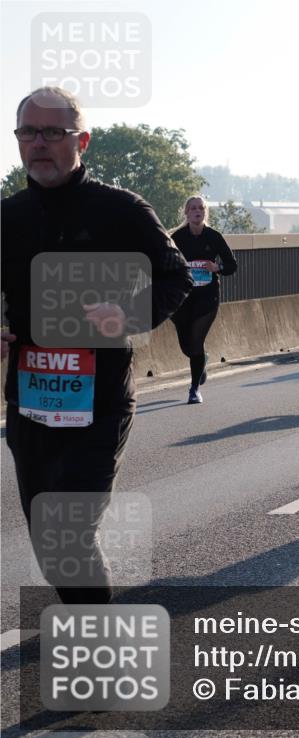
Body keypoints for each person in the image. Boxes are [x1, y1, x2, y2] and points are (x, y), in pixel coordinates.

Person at [1, 87, 192, 604]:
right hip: (30, 406)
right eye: (28, 132)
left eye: (53, 133)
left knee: (67, 533)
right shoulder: (8, 218)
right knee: (51, 544)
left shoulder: (122, 210)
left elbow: (178, 277)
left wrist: (128, 314)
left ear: (81, 140)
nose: (39, 143)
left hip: (99, 404)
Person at [170, 196, 238, 404]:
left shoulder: (214, 237)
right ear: (186, 213)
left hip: (208, 296)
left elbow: (231, 265)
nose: (197, 211)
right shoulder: (177, 237)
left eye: (200, 208)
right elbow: (165, 263)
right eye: (193, 208)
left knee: (196, 341)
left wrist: (217, 268)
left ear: (205, 212)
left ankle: (194, 389)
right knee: (187, 346)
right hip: (183, 296)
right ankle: (202, 361)